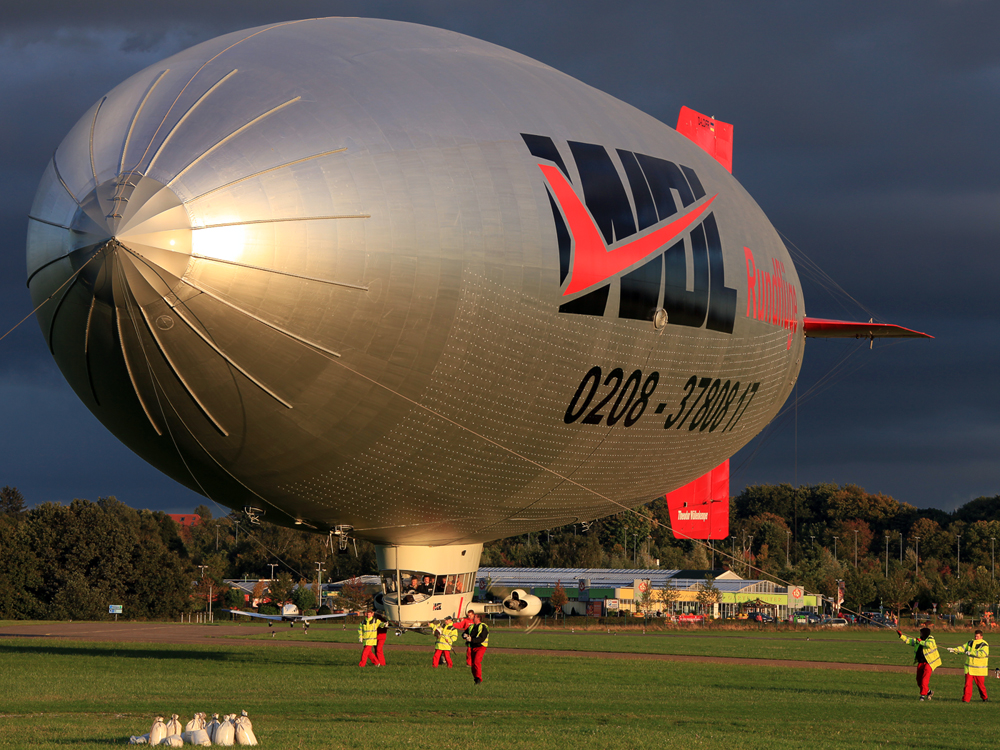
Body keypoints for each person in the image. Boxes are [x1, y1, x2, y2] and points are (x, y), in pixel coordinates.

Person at [898, 627, 941, 700]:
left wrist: (920, 641)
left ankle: (922, 696)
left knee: (924, 680)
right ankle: (929, 692)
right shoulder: (918, 639)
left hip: (929, 663)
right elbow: (909, 641)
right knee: (919, 681)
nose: (920, 634)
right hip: (920, 662)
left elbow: (929, 645)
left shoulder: (931, 639)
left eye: (921, 633)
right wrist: (901, 636)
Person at [948, 629, 989, 702]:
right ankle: (966, 700)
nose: (976, 638)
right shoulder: (970, 642)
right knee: (967, 685)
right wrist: (954, 650)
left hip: (979, 670)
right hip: (969, 669)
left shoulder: (984, 644)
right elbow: (962, 648)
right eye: (975, 636)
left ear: (981, 637)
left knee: (981, 686)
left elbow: (983, 654)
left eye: (978, 636)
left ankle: (985, 698)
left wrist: (971, 653)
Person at [465, 613, 489, 684]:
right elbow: (465, 633)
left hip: (481, 646)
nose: (472, 618)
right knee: (473, 664)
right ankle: (475, 678)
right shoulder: (471, 626)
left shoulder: (483, 626)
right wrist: (465, 635)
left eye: (474, 617)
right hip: (473, 646)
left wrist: (472, 640)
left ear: (478, 618)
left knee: (476, 662)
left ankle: (479, 678)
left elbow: (482, 638)